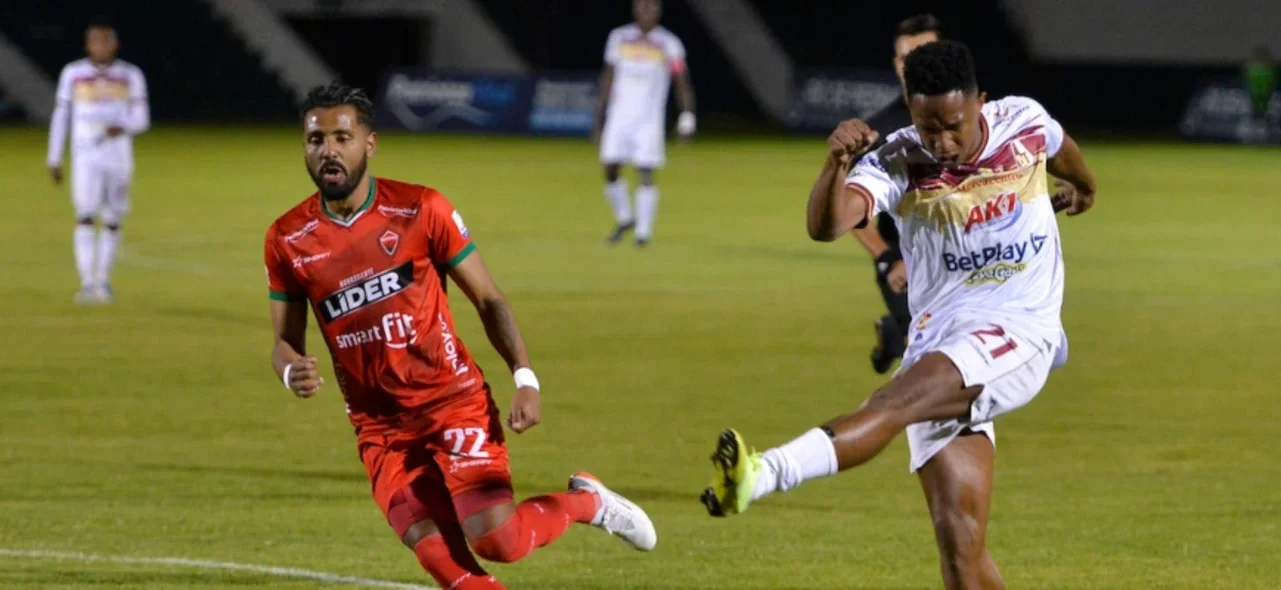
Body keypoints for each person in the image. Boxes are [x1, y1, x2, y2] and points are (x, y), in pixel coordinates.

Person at [701, 41, 1097, 589]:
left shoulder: (1022, 122)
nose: (942, 142)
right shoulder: (898, 159)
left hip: (1018, 329)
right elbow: (826, 226)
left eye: (954, 125)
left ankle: (764, 473)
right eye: (928, 127)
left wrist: (1084, 187)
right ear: (910, 109)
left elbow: (1062, 148)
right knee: (962, 553)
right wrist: (836, 164)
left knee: (891, 404)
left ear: (980, 102)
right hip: (937, 343)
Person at [265, 83, 656, 590]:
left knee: (499, 542)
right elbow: (284, 343)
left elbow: (489, 299)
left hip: (452, 403)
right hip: (380, 431)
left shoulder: (421, 208)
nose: (329, 151)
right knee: (444, 563)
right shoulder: (287, 238)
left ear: (369, 144)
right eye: (317, 140)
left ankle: (588, 502)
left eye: (343, 137)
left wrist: (526, 377)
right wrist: (290, 370)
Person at [856, 14, 942, 374]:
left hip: (963, 259)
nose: (915, 65)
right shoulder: (880, 132)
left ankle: (892, 334)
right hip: (904, 263)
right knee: (925, 361)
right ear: (896, 64)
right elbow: (853, 212)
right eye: (907, 57)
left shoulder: (971, 119)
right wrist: (889, 257)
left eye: (925, 54)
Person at [47, 19, 149, 304]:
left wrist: (122, 126)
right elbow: (61, 115)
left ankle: (103, 280)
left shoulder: (130, 75)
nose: (101, 46)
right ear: (87, 45)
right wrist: (54, 156)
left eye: (106, 41)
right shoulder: (73, 73)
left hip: (118, 157)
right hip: (85, 157)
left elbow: (142, 118)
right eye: (96, 41)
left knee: (113, 218)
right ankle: (86, 283)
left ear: (115, 45)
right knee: (85, 214)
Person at [593, 0, 696, 247]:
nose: (647, 12)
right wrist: (600, 117)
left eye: (652, 7)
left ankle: (643, 232)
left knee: (645, 170)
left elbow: (681, 80)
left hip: (648, 119)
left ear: (659, 11)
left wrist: (687, 115)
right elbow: (608, 77)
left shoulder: (669, 43)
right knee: (610, 167)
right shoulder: (619, 37)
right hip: (619, 116)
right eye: (642, 7)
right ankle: (625, 217)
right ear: (635, 10)